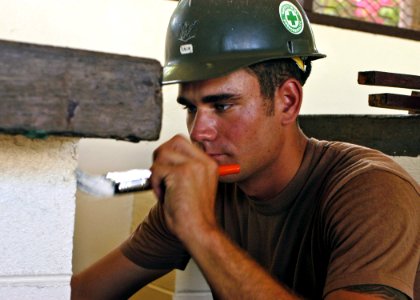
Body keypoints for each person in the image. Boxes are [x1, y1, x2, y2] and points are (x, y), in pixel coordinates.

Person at [71, 0, 420, 299]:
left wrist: (200, 231)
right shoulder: (205, 192)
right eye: (191, 108)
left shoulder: (373, 191)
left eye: (221, 105)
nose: (198, 132)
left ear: (287, 101)